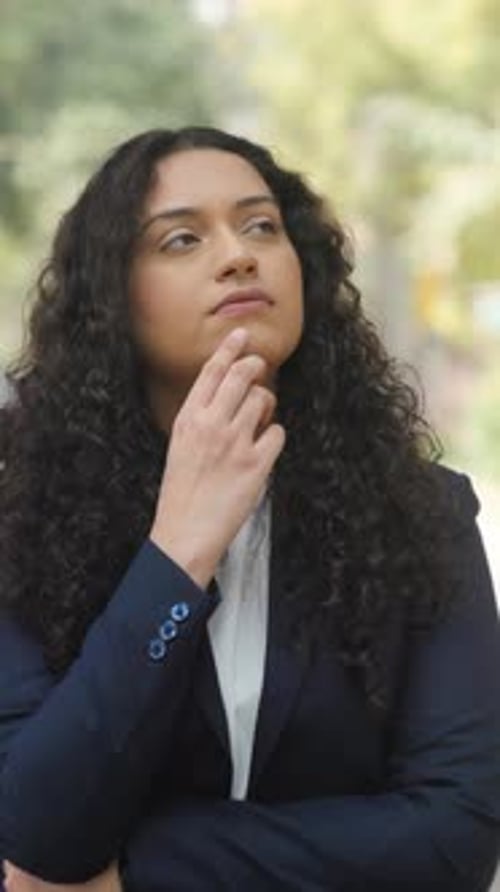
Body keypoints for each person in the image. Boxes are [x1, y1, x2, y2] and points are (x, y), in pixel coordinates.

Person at [0, 126, 499, 892]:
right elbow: (35, 824)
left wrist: (139, 868)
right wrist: (179, 550)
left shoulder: (424, 512)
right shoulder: (20, 518)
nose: (238, 254)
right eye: (180, 240)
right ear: (112, 299)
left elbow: (456, 835)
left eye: (261, 225)